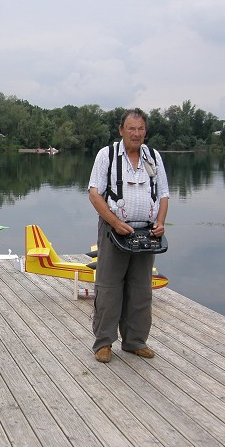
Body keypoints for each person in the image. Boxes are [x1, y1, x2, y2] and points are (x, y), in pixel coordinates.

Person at [88, 108, 169, 362]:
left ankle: (135, 341)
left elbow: (164, 194)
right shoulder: (107, 155)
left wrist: (160, 221)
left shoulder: (153, 157)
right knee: (109, 288)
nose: (136, 133)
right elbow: (94, 194)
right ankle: (104, 343)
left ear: (146, 131)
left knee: (141, 289)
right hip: (115, 231)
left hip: (147, 233)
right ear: (121, 130)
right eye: (131, 128)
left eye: (141, 128)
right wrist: (114, 222)